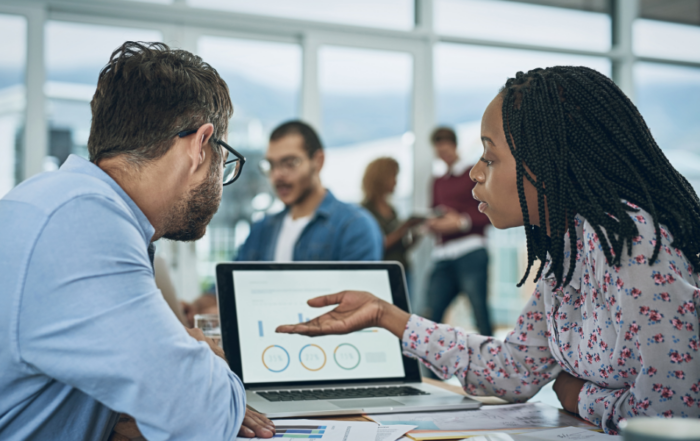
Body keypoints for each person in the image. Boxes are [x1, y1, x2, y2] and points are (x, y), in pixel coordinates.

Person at [276, 66, 700, 434]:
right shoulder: (567, 251)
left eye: (490, 158)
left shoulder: (634, 242)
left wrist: (579, 397)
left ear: (550, 161)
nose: (476, 173)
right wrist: (387, 316)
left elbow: (672, 415)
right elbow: (513, 372)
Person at [0, 42, 274, 440]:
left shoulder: (52, 200)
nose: (221, 179)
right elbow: (200, 418)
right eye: (224, 159)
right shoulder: (84, 220)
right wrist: (199, 355)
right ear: (201, 145)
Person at [183, 120, 383, 324]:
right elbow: (230, 282)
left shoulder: (354, 226)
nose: (278, 175)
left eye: (290, 163)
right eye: (271, 165)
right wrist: (197, 307)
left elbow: (357, 308)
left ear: (318, 161)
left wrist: (239, 309)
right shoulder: (264, 228)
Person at [425, 127, 493, 336]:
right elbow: (435, 210)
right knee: (430, 316)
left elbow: (490, 212)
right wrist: (433, 224)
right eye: (439, 151)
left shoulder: (471, 175)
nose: (443, 155)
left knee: (480, 314)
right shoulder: (436, 182)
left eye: (446, 150)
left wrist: (462, 223)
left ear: (455, 146)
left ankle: (492, 367)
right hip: (443, 254)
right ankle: (430, 369)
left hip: (471, 251)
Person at [361, 157, 423, 298]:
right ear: (381, 178)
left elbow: (399, 248)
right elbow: (375, 246)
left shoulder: (391, 210)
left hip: (402, 271)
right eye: (393, 176)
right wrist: (403, 228)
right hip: (382, 275)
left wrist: (415, 235)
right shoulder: (365, 213)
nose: (396, 182)